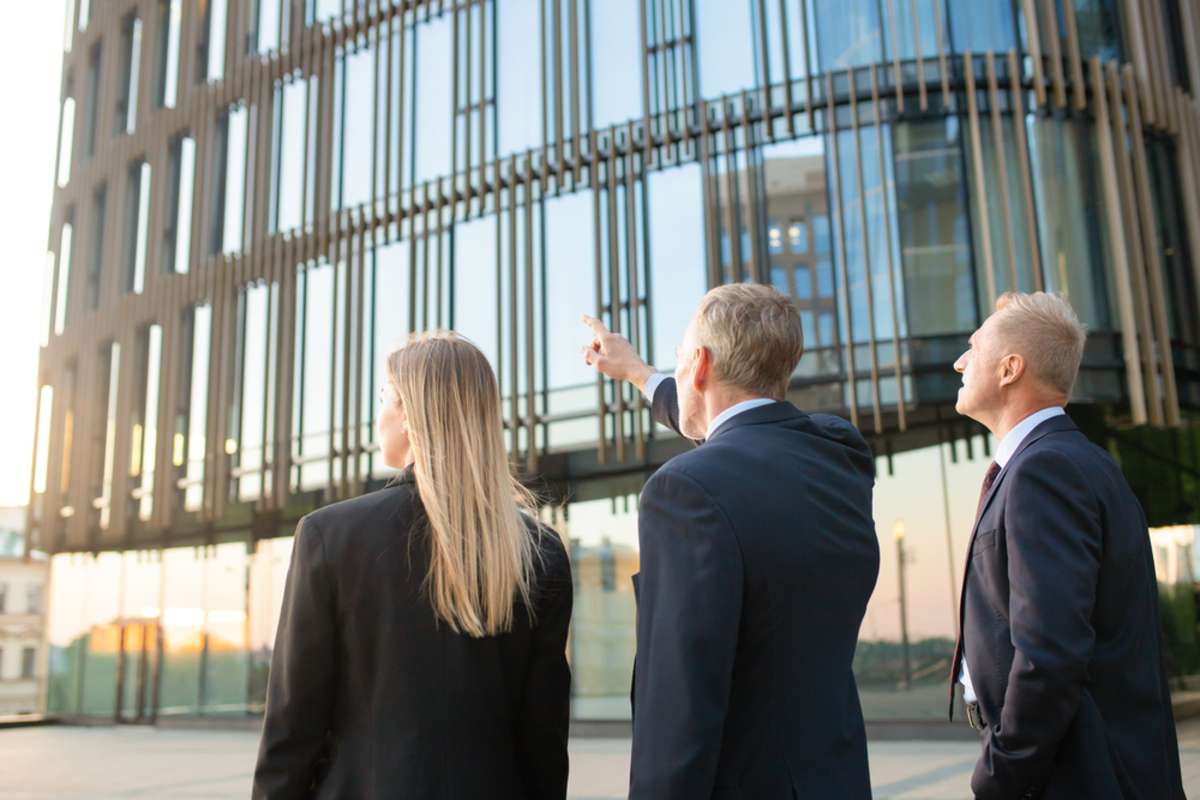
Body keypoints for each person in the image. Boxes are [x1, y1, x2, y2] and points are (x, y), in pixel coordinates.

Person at [583, 283, 879, 799]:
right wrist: (638, 373)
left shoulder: (684, 491)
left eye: (679, 359)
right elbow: (736, 432)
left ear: (699, 364)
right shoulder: (841, 456)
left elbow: (678, 707)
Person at [253, 332, 572, 800]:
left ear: (408, 414)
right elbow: (544, 744)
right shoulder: (538, 551)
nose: (377, 415)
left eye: (383, 397)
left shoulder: (329, 536)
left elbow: (291, 732)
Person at [950, 292, 1184, 799]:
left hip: (1075, 774)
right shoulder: (1073, 461)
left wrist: (1001, 773)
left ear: (1011, 368)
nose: (960, 362)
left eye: (974, 347)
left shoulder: (1044, 470)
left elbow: (1049, 652)